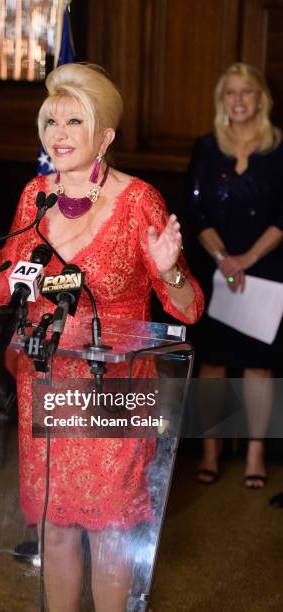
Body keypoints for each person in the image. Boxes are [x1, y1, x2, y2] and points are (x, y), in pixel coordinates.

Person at [0, 63, 203, 612]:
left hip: (115, 389)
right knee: (57, 527)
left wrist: (171, 269)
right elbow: (4, 293)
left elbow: (190, 308)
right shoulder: (35, 196)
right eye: (51, 120)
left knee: (110, 529)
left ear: (104, 136)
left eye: (73, 121)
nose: (57, 133)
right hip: (47, 381)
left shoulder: (139, 202)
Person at [188, 62, 283, 489]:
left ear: (261, 98)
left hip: (266, 270)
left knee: (258, 368)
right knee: (212, 364)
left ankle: (255, 452)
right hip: (215, 269)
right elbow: (195, 211)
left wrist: (246, 259)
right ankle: (212, 448)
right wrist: (225, 257)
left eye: (247, 92)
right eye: (231, 92)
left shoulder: (280, 149)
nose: (239, 100)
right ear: (221, 100)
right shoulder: (206, 147)